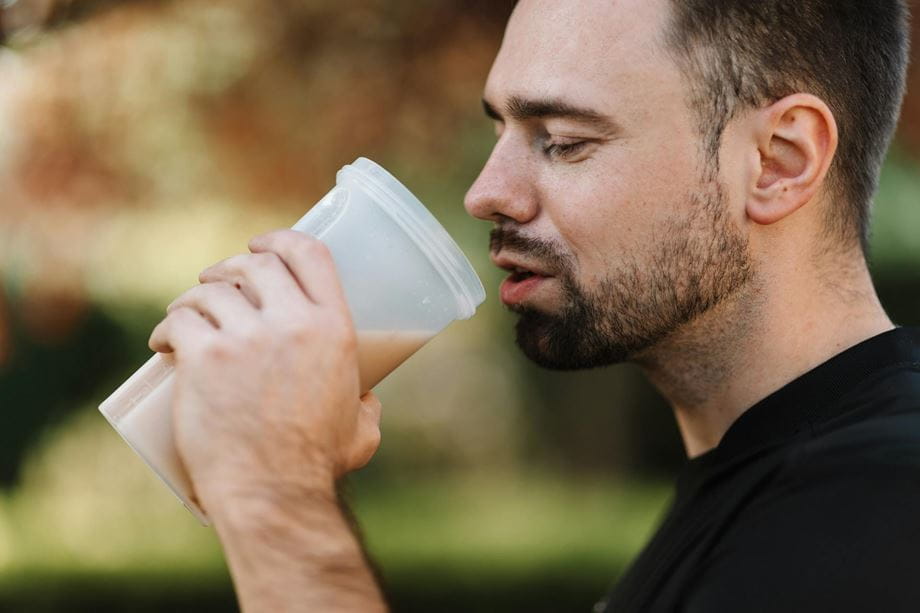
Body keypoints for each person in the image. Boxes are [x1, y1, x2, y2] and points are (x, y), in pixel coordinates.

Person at [148, 0, 920, 611]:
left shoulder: (880, 504)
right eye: (501, 129)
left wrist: (276, 494)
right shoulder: (763, 484)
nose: (488, 193)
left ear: (779, 162)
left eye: (563, 141)